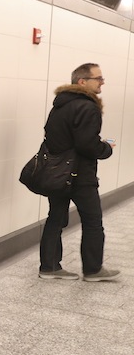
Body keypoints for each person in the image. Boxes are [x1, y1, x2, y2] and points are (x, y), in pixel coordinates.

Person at [38, 63, 119, 283]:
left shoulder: (60, 105)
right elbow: (87, 145)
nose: (102, 82)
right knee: (93, 221)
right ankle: (93, 270)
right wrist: (105, 148)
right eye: (98, 78)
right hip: (80, 175)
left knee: (56, 219)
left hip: (57, 173)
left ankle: (49, 267)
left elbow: (56, 137)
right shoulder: (87, 106)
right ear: (82, 82)